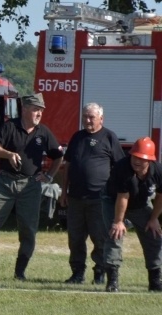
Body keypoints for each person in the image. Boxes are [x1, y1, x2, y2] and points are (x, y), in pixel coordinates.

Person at [0, 93, 64, 280]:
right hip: (6, 183)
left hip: (31, 185)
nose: (39, 114)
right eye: (35, 109)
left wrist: (49, 175)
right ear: (25, 109)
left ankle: (20, 272)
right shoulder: (10, 126)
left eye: (41, 110)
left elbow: (58, 156)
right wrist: (8, 154)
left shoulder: (43, 132)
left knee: (28, 229)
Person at [59, 103, 124, 285]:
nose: (87, 120)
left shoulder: (109, 137)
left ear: (101, 119)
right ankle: (77, 273)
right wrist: (64, 191)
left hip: (99, 199)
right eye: (85, 116)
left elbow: (119, 168)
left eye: (91, 117)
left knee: (100, 237)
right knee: (76, 238)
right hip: (76, 198)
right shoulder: (77, 137)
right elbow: (68, 165)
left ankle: (100, 272)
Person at [102, 137, 162, 292]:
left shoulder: (158, 171)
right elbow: (123, 197)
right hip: (113, 201)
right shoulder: (122, 168)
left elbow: (161, 196)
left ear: (149, 160)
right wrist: (118, 221)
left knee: (154, 235)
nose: (136, 160)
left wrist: (154, 219)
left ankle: (155, 281)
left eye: (141, 158)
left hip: (140, 204)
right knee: (115, 235)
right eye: (134, 156)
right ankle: (112, 281)